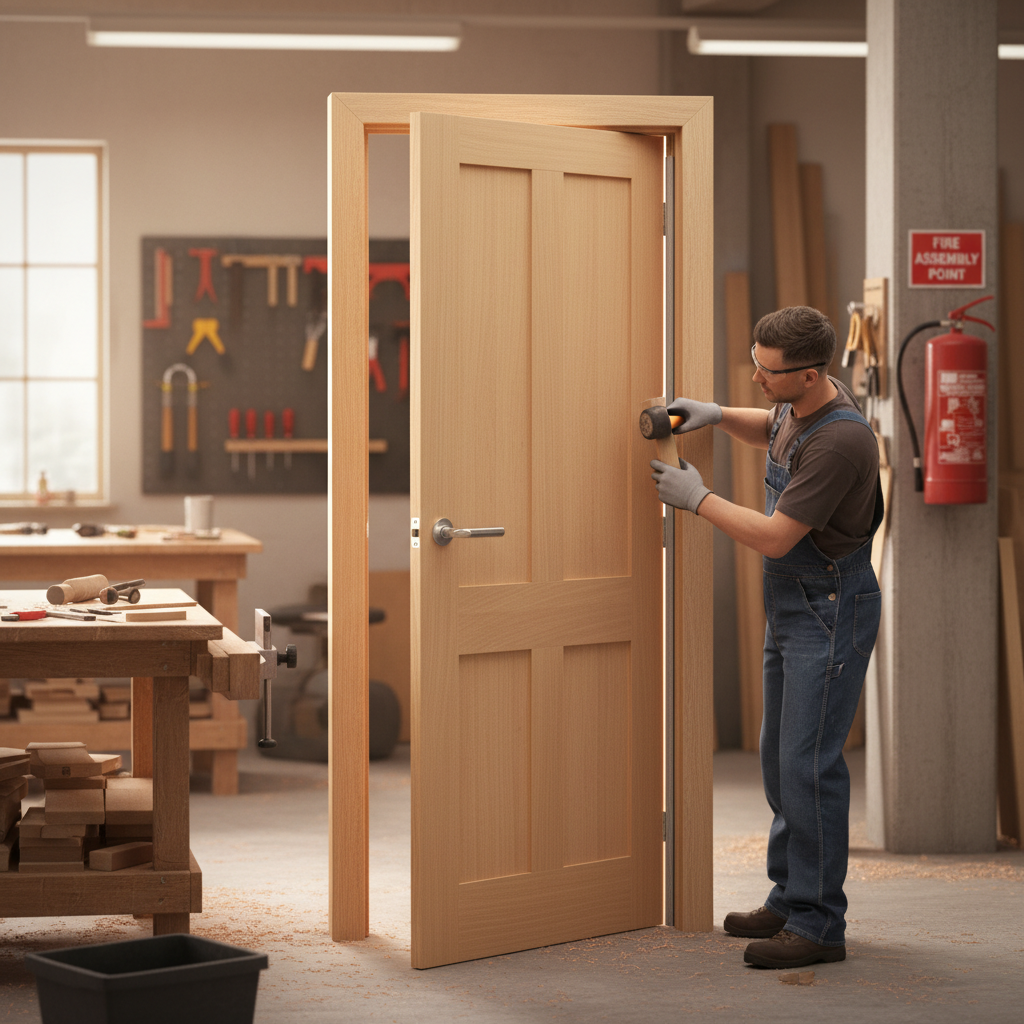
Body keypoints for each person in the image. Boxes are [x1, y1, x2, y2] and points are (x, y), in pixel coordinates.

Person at [651, 305, 882, 970]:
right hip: (793, 606)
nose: (757, 379)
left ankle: (817, 924)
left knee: (809, 767)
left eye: (767, 372)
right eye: (754, 364)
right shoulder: (796, 406)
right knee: (782, 760)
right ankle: (790, 895)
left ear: (810, 375)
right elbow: (771, 425)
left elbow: (778, 535)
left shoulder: (841, 441)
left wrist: (698, 498)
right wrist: (717, 415)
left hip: (828, 609)